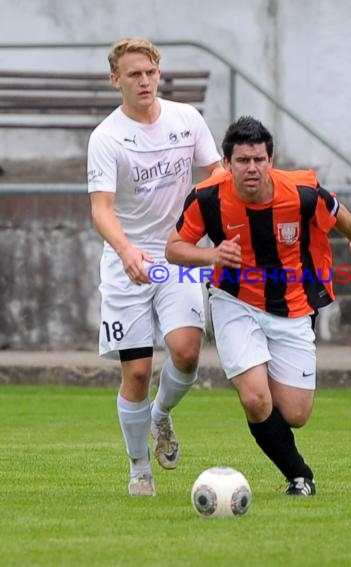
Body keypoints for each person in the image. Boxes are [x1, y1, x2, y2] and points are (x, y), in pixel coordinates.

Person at [166, 116, 351, 496]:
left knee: (295, 413)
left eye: (259, 159)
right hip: (234, 301)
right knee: (256, 399)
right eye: (242, 160)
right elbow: (173, 248)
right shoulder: (207, 197)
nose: (252, 168)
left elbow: (334, 208)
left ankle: (284, 448)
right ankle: (300, 476)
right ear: (227, 163)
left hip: (292, 305)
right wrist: (210, 255)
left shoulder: (300, 192)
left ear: (271, 159)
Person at [87, 37, 224, 496]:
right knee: (139, 373)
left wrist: (211, 238)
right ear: (116, 80)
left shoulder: (186, 119)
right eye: (133, 75)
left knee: (186, 354)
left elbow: (216, 177)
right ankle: (138, 469)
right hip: (127, 259)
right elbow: (101, 209)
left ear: (158, 73)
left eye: (150, 72)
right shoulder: (106, 137)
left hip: (177, 253)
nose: (143, 81)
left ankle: (161, 416)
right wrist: (126, 251)